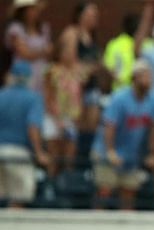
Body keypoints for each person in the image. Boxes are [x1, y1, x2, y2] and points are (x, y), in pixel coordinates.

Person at [91, 59, 154, 209]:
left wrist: (152, 153)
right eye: (145, 76)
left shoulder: (153, 101)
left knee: (129, 194)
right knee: (104, 190)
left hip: (131, 155)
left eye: (150, 76)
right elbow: (109, 126)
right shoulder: (120, 98)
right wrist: (110, 151)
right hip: (106, 151)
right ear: (135, 77)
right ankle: (96, 223)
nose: (149, 80)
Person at [0, 60, 51, 207]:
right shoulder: (33, 98)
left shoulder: (1, 95)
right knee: (19, 199)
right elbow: (33, 127)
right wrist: (39, 152)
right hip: (19, 153)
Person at [42, 39, 86, 173]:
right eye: (67, 51)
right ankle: (50, 186)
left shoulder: (78, 71)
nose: (70, 55)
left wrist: (79, 116)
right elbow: (48, 95)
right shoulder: (51, 70)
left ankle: (66, 184)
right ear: (60, 53)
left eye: (73, 52)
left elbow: (80, 95)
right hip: (53, 116)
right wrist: (57, 119)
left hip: (71, 117)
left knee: (69, 156)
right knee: (54, 154)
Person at [59, 1, 102, 133]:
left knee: (91, 123)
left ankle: (85, 150)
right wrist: (89, 68)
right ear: (80, 15)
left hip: (91, 86)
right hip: (74, 87)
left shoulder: (92, 37)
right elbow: (68, 61)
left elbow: (98, 61)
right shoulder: (72, 33)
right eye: (90, 14)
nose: (94, 18)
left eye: (95, 15)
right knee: (74, 124)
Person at [4, 0, 52, 93]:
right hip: (22, 75)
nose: (33, 12)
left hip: (41, 73)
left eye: (34, 8)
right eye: (29, 9)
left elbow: (50, 51)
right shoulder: (15, 28)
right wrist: (43, 51)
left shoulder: (43, 28)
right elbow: (24, 53)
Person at [102, 6, 154, 91]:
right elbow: (109, 67)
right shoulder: (149, 44)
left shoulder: (115, 43)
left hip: (137, 90)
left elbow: (109, 67)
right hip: (124, 90)